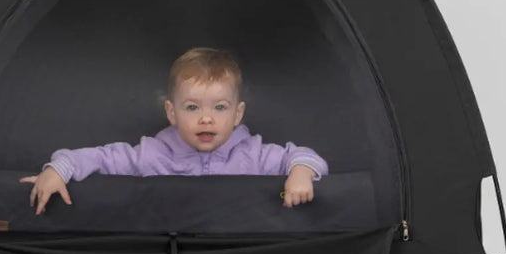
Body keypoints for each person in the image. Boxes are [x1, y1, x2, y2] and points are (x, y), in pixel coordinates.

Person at [20, 47, 328, 214]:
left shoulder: (254, 154)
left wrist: (300, 174)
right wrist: (58, 170)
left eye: (219, 108)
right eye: (192, 107)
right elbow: (101, 157)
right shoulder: (153, 154)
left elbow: (305, 157)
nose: (206, 119)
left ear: (238, 114)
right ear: (172, 113)